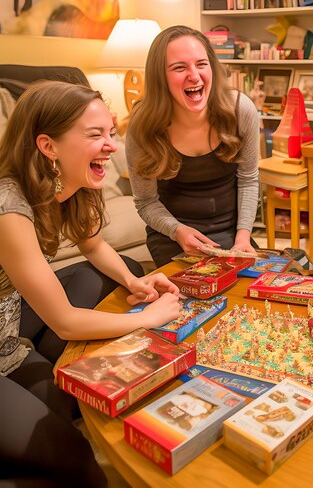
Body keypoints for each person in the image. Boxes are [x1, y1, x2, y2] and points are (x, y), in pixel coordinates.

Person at [0, 80, 181, 487]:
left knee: (69, 401)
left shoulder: (67, 187)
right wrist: (148, 319)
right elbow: (64, 322)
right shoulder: (8, 208)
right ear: (48, 147)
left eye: (111, 133)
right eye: (96, 135)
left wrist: (136, 281)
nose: (112, 146)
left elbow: (94, 246)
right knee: (78, 460)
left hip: (9, 333)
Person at [125, 25, 260, 267]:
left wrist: (243, 237)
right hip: (173, 237)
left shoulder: (241, 110)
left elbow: (249, 179)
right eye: (179, 67)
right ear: (160, 77)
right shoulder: (141, 125)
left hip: (233, 233)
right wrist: (177, 231)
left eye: (201, 64)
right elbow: (145, 201)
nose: (194, 76)